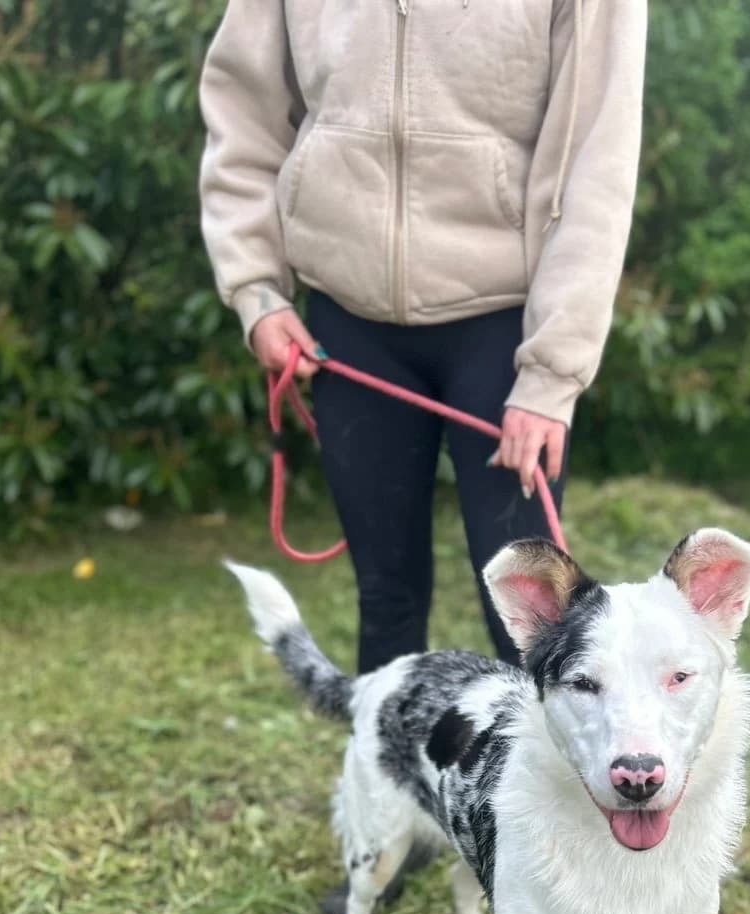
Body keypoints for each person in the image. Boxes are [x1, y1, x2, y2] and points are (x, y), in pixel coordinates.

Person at [198, 0, 647, 674]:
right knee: (385, 601)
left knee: (527, 622)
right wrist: (256, 289)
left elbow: (596, 161)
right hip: (348, 325)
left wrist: (551, 375)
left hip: (508, 332)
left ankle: (543, 784)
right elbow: (242, 109)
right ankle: (386, 783)